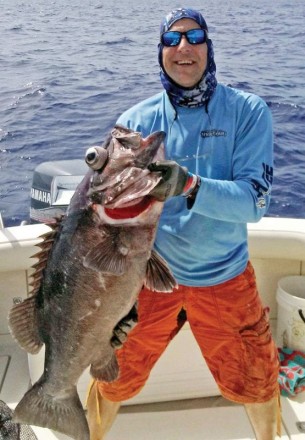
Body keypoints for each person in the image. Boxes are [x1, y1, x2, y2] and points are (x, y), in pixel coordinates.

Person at [86, 7, 280, 440]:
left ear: (209, 47)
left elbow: (254, 203)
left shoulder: (248, 112)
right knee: (112, 378)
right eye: (171, 41)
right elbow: (104, 218)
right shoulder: (135, 122)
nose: (183, 48)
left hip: (225, 278)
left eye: (194, 37)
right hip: (148, 277)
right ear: (160, 54)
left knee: (259, 380)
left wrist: (189, 184)